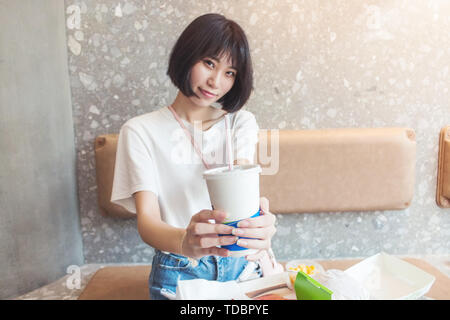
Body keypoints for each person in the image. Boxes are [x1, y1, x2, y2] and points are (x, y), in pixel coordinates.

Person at [111, 13, 279, 300]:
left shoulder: (240, 122)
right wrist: (185, 241)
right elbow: (148, 221)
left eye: (230, 73)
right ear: (187, 56)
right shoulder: (140, 131)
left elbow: (241, 181)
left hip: (245, 266)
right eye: (209, 63)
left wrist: (260, 220)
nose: (215, 81)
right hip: (180, 266)